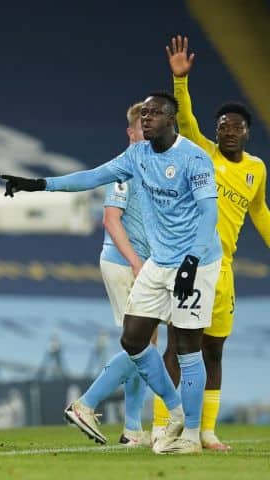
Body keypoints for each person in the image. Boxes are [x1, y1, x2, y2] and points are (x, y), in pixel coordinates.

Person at [0, 92, 222, 454]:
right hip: (159, 262)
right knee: (134, 339)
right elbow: (92, 177)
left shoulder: (193, 158)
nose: (146, 118)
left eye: (154, 113)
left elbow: (208, 215)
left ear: (171, 118)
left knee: (186, 347)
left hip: (196, 261)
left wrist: (192, 262)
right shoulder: (138, 155)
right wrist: (39, 185)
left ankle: (192, 436)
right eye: (144, 113)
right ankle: (176, 410)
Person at [153, 35, 270, 450]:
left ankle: (206, 431)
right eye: (223, 127)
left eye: (236, 127)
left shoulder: (257, 170)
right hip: (188, 263)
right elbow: (185, 123)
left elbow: (259, 211)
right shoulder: (202, 153)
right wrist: (180, 81)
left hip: (224, 271)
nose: (228, 132)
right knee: (178, 345)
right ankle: (163, 427)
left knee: (214, 351)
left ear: (247, 134)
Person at [96, 102, 151, 447]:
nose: (150, 133)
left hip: (141, 264)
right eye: (143, 128)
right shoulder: (124, 169)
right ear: (131, 133)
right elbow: (110, 219)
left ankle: (132, 428)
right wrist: (135, 261)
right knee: (140, 345)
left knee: (145, 345)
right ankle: (86, 404)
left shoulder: (152, 167)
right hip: (123, 263)